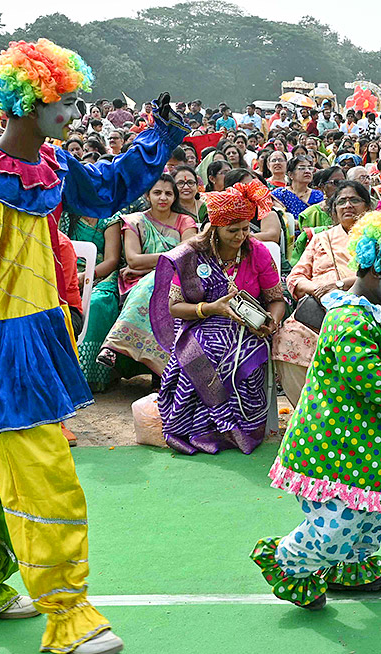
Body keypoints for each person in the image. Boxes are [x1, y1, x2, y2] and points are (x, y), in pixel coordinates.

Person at [0, 39, 189, 654]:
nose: (71, 114)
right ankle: (68, 614)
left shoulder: (54, 167)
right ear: (28, 103)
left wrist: (159, 138)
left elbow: (104, 190)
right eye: (62, 103)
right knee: (46, 476)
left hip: (43, 331)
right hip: (4, 348)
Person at [252, 210, 381, 609]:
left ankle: (350, 568)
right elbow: (367, 374)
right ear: (376, 270)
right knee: (335, 525)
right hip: (330, 448)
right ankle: (287, 562)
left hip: (363, 445)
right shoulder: (347, 320)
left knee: (365, 517)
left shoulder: (380, 314)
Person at [152, 181, 283, 454]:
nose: (241, 236)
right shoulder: (192, 255)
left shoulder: (256, 251)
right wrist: (211, 308)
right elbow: (175, 307)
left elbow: (276, 299)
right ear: (215, 229)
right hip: (199, 322)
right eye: (232, 231)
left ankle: (237, 431)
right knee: (205, 351)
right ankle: (197, 431)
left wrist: (272, 322)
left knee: (233, 354)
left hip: (248, 328)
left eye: (246, 229)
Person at [273, 181, 372, 406]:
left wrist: (339, 285)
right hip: (318, 311)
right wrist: (317, 290)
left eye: (354, 200)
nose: (347, 205)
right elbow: (295, 278)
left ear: (367, 206)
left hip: (364, 308)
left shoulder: (378, 237)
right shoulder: (320, 238)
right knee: (287, 336)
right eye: (341, 202)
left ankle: (358, 415)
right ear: (333, 210)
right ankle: (313, 411)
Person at [98, 174, 198, 376]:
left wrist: (150, 266)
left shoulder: (185, 221)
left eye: (168, 193)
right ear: (147, 195)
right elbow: (133, 259)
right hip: (137, 280)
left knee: (157, 281)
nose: (163, 198)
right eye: (157, 193)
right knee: (154, 282)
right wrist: (168, 258)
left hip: (177, 279)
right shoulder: (135, 221)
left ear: (175, 197)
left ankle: (116, 344)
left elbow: (188, 253)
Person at [60, 207, 123, 393]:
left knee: (96, 303)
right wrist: (73, 277)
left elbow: (112, 260)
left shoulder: (109, 218)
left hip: (102, 275)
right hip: (69, 272)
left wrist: (86, 276)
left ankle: (89, 376)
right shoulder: (67, 215)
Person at [270, 156, 323, 220]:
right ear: (290, 175)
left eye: (310, 168)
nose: (307, 171)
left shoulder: (317, 195)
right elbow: (282, 217)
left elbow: (319, 219)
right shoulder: (280, 194)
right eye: (302, 168)